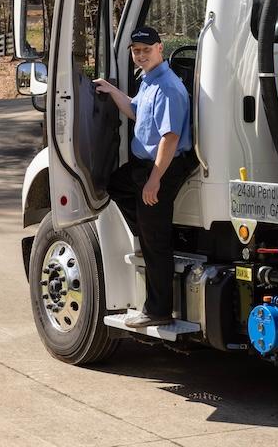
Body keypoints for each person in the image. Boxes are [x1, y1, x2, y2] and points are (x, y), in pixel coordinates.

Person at [93, 26, 193, 328]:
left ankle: (158, 310)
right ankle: (146, 227)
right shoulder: (149, 81)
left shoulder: (169, 88)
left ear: (160, 48)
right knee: (115, 184)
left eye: (146, 50)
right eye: (136, 50)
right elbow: (137, 111)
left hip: (162, 166)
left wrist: (154, 181)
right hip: (143, 165)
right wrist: (112, 92)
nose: (140, 55)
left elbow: (170, 139)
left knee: (156, 243)